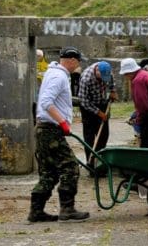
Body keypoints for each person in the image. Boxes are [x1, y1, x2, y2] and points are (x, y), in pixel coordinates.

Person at [28, 46, 90, 223]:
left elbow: (53, 100)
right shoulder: (58, 76)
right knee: (70, 167)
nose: (78, 65)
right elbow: (47, 101)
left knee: (49, 172)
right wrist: (62, 122)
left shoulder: (52, 73)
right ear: (71, 60)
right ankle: (67, 209)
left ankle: (36, 211)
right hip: (50, 129)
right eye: (77, 62)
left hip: (44, 128)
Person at [118, 57, 148, 149]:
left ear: (129, 72)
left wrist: (138, 119)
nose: (125, 77)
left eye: (125, 74)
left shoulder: (138, 80)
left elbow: (143, 105)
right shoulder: (146, 74)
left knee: (147, 148)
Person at [78, 61, 117, 168]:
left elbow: (111, 81)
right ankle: (91, 164)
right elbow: (84, 101)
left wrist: (113, 91)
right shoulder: (86, 78)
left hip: (102, 103)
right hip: (88, 108)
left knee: (104, 135)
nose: (104, 80)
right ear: (97, 71)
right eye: (102, 78)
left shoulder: (107, 71)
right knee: (89, 137)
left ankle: (100, 162)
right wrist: (99, 113)